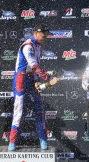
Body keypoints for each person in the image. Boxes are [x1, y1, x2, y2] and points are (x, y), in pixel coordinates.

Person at [8, 23, 58, 151]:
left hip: (31, 79)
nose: (45, 38)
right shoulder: (28, 46)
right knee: (19, 112)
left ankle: (43, 140)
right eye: (43, 35)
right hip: (21, 79)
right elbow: (34, 65)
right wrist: (48, 78)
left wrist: (36, 80)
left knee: (39, 110)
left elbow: (35, 69)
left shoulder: (38, 46)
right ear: (35, 33)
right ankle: (12, 143)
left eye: (46, 35)